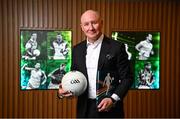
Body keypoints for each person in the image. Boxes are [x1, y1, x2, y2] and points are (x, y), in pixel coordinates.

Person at [58, 10, 132, 118]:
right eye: (86, 24)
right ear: (81, 27)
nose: (91, 28)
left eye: (94, 23)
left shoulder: (117, 47)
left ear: (101, 23)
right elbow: (74, 77)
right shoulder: (76, 50)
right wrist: (63, 91)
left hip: (110, 108)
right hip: (84, 110)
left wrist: (113, 99)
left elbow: (127, 77)